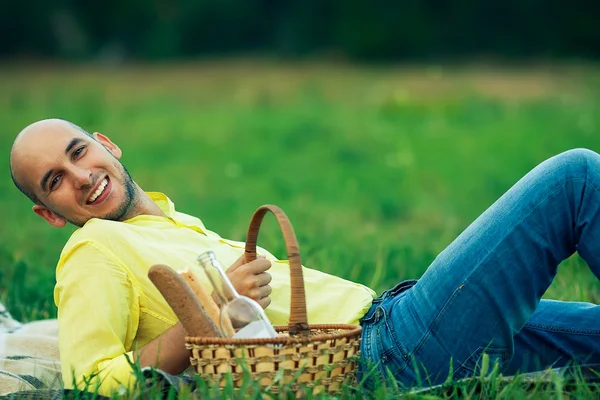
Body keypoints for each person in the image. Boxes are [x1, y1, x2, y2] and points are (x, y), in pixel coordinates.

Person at [9, 119, 600, 395]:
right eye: (55, 181)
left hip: (393, 318)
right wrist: (209, 319)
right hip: (383, 350)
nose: (82, 176)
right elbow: (89, 378)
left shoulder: (164, 221)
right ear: (50, 214)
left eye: (80, 151)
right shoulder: (93, 248)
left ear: (106, 144)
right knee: (574, 178)